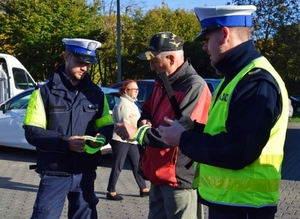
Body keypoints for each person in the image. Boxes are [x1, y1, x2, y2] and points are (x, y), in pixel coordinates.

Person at [158, 5, 289, 219]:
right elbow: (231, 133)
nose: (204, 47)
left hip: (245, 207)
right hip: (235, 205)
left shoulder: (254, 80)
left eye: (207, 38)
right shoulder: (238, 76)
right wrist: (195, 129)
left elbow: (239, 150)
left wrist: (183, 139)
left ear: (224, 35)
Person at [115, 32, 212, 219]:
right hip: (158, 174)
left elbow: (178, 135)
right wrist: (144, 119)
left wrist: (138, 133)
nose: (151, 67)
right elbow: (148, 109)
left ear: (171, 58)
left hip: (178, 179)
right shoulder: (162, 81)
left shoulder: (194, 86)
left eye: (153, 61)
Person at [23, 38, 114, 219]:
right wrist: (66, 142)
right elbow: (32, 132)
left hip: (85, 172)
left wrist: (101, 138)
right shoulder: (43, 92)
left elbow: (106, 125)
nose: (85, 68)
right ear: (66, 57)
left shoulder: (96, 94)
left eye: (88, 64)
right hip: (54, 171)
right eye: (80, 62)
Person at [106, 79, 150, 201]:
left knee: (137, 164)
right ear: (126, 90)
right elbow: (123, 125)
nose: (136, 92)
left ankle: (143, 188)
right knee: (118, 165)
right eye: (134, 89)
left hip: (132, 140)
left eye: (137, 89)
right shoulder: (123, 104)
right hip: (121, 140)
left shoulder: (131, 103)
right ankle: (111, 191)